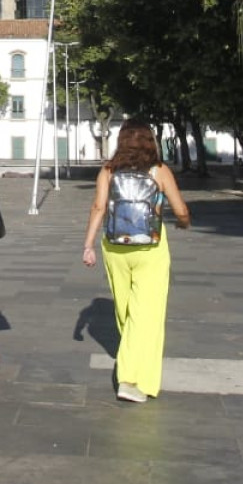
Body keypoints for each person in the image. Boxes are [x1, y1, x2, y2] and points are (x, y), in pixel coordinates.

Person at [81, 121, 191, 403]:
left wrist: (88, 244)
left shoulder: (108, 170)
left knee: (125, 310)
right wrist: (183, 222)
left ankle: (134, 367)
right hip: (150, 247)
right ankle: (130, 378)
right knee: (147, 315)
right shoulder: (160, 170)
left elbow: (98, 207)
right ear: (150, 142)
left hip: (114, 246)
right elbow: (180, 209)